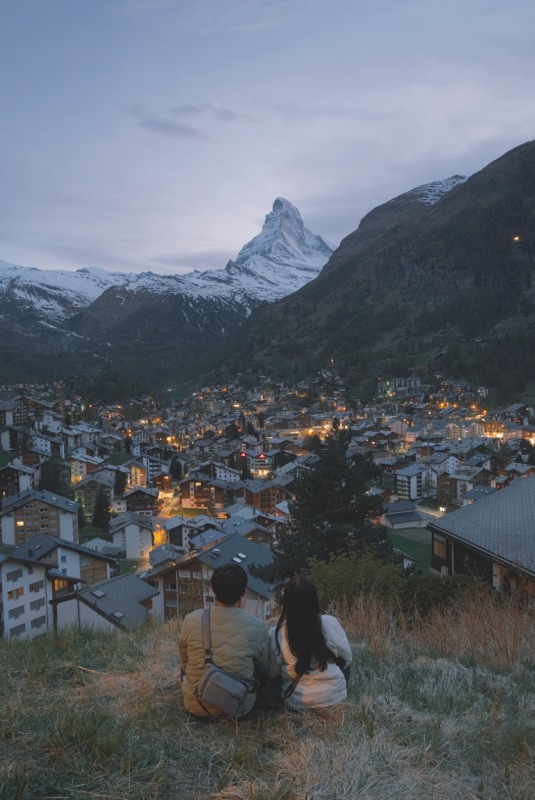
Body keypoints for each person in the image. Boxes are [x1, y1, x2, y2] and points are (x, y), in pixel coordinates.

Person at [179, 562, 270, 719]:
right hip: (239, 706)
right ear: (243, 592)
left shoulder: (191, 619)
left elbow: (184, 663)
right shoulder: (258, 627)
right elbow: (265, 669)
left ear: (213, 590)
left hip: (196, 705)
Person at [268, 575, 352, 711]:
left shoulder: (277, 633)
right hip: (335, 698)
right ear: (314, 600)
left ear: (287, 603)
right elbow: (347, 658)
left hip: (297, 703)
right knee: (345, 662)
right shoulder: (329, 623)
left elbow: (272, 672)